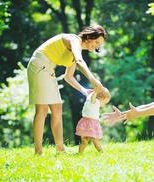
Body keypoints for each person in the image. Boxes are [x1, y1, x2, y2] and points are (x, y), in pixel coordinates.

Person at [27, 24, 108, 155]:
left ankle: (60, 150)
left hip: (48, 70)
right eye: (97, 41)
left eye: (100, 44)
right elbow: (80, 61)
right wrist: (93, 80)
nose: (97, 46)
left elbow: (68, 77)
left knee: (57, 109)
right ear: (89, 36)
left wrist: (85, 90)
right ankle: (38, 152)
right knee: (41, 110)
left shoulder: (76, 52)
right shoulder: (74, 40)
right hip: (39, 66)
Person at [75, 88, 111, 154]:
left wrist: (95, 92)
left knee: (92, 140)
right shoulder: (94, 101)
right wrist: (96, 91)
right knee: (86, 140)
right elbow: (93, 96)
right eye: (105, 102)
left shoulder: (90, 99)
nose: (104, 104)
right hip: (89, 122)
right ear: (101, 98)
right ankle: (80, 153)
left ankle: (101, 153)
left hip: (89, 122)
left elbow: (91, 95)